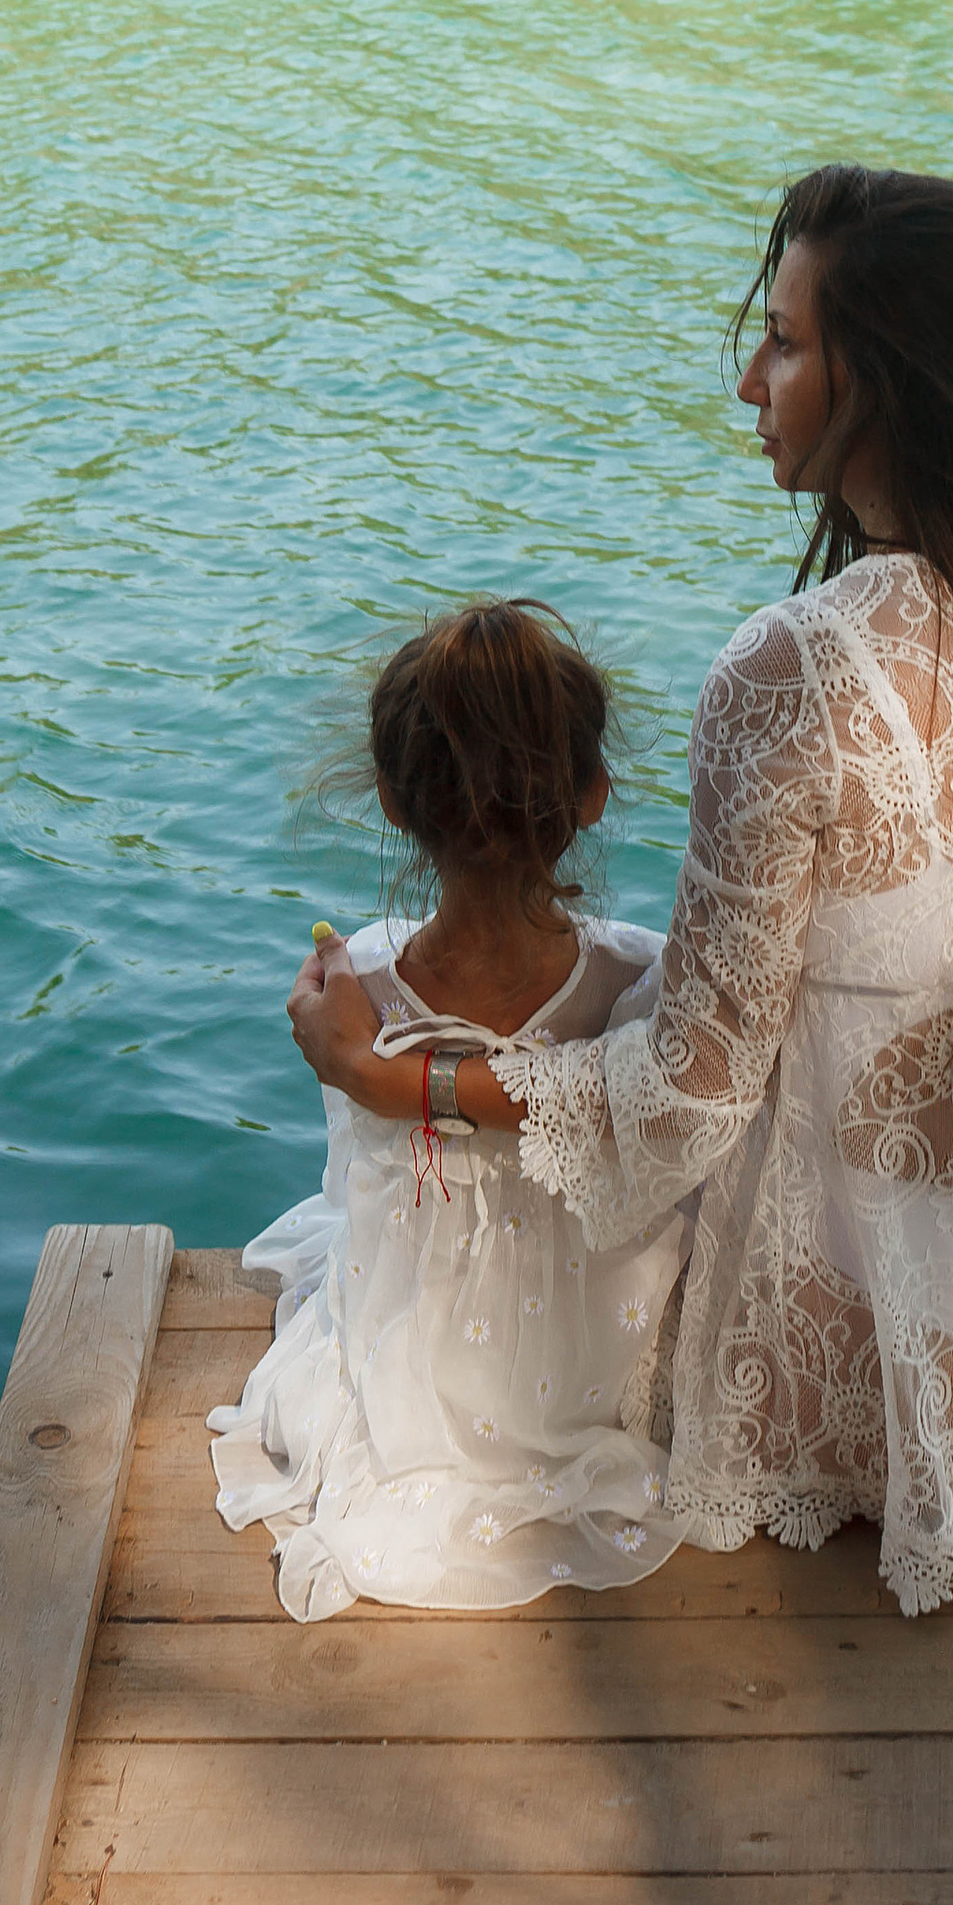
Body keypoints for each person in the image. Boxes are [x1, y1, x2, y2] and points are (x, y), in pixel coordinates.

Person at [288, 166, 953, 1617]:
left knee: (498, 1310)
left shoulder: (790, 672)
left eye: (783, 342)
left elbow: (688, 1099)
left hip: (862, 1371)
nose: (747, 381)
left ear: (881, 379)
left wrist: (406, 1080)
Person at [211, 598, 689, 1620]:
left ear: (392, 800)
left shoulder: (358, 988)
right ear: (594, 795)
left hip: (414, 1364)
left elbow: (354, 1183)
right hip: (598, 1363)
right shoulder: (638, 977)